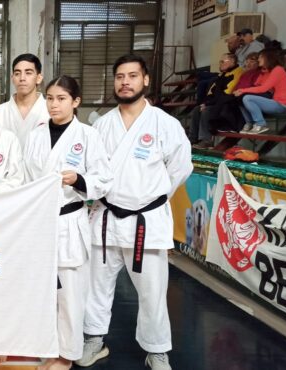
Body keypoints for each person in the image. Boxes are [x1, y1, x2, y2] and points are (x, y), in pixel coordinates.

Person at [80, 54, 192, 370]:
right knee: (96, 287)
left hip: (147, 221)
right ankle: (94, 339)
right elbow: (92, 170)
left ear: (145, 80)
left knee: (153, 293)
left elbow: (180, 169)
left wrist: (149, 198)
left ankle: (157, 350)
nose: (125, 82)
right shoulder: (101, 125)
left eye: (132, 76)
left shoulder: (165, 124)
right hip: (105, 219)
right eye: (119, 77)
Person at [23, 75, 112, 370]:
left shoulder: (88, 136)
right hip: (39, 222)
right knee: (42, 291)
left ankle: (67, 354)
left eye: (61, 98)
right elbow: (25, 179)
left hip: (68, 219)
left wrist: (79, 179)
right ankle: (47, 347)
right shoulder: (35, 135)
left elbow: (104, 180)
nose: (54, 104)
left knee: (70, 293)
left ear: (75, 102)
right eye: (49, 98)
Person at [0, 53, 51, 149]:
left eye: (28, 73)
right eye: (17, 73)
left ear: (38, 78)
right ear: (12, 78)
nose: (22, 78)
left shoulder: (50, 110)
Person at [191, 53, 243, 148]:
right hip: (216, 103)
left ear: (232, 61)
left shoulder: (238, 73)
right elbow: (211, 92)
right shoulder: (222, 75)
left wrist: (207, 104)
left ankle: (206, 140)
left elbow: (227, 93)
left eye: (223, 62)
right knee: (196, 109)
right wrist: (205, 103)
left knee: (206, 111)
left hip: (228, 105)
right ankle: (193, 139)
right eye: (220, 62)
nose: (220, 64)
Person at [236, 49, 286, 134]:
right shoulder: (265, 72)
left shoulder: (278, 70)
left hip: (280, 105)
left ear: (268, 57)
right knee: (239, 98)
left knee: (247, 98)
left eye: (261, 57)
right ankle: (250, 123)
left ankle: (261, 124)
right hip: (272, 102)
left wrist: (243, 90)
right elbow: (257, 85)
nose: (258, 59)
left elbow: (263, 89)